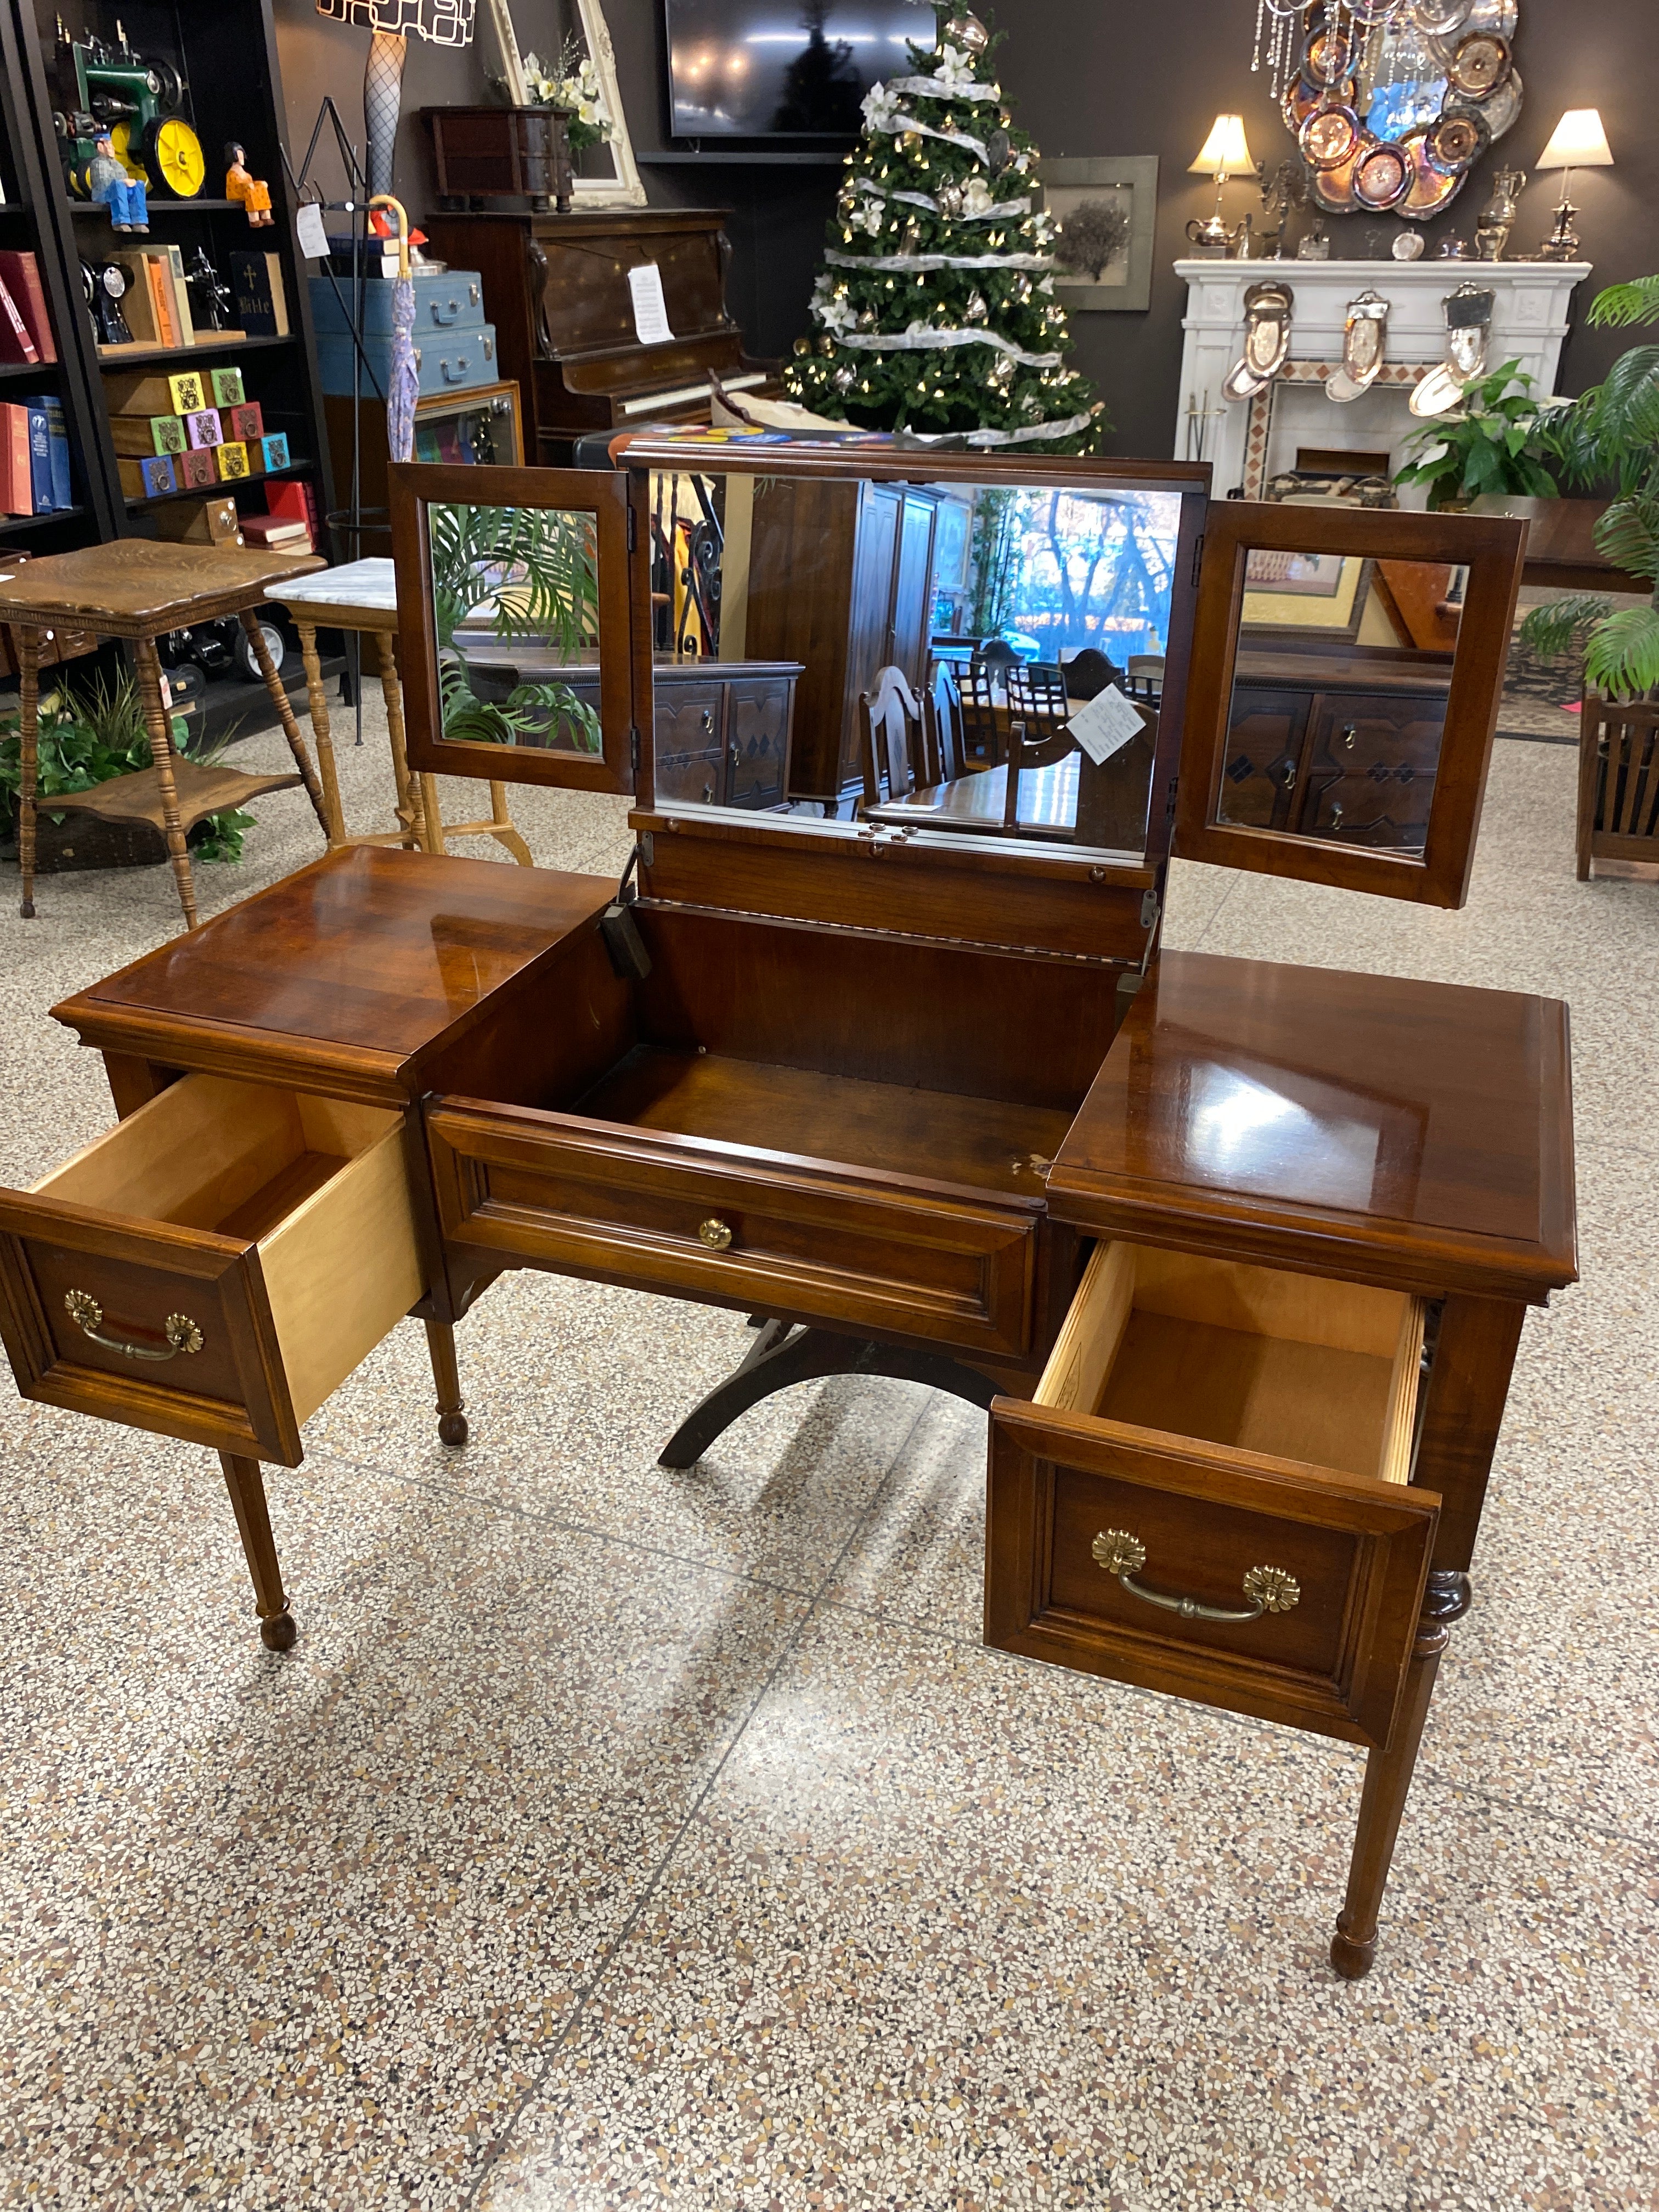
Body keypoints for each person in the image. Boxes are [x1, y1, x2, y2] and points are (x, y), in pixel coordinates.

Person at [88, 135, 148, 234]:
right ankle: (121, 221)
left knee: (138, 185)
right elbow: (103, 183)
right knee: (118, 186)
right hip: (103, 194)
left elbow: (124, 177)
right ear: (100, 147)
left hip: (120, 190)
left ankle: (139, 221)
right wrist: (123, 182)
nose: (113, 148)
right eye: (109, 144)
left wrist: (130, 183)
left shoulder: (118, 165)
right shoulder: (98, 163)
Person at [224, 143, 274, 228]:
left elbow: (251, 182)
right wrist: (247, 185)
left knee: (262, 187)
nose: (241, 158)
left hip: (246, 188)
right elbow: (236, 186)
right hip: (237, 193)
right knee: (251, 191)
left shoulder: (245, 173)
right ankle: (254, 219)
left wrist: (260, 184)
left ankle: (266, 216)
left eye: (242, 154)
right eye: (239, 155)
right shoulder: (232, 174)